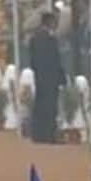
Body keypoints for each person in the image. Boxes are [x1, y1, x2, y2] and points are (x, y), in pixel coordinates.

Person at [27, 12, 66, 144]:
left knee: (40, 105)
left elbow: (33, 60)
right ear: (49, 22)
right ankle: (48, 135)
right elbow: (54, 60)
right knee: (49, 107)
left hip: (40, 77)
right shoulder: (49, 39)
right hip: (49, 77)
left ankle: (38, 134)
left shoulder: (35, 38)